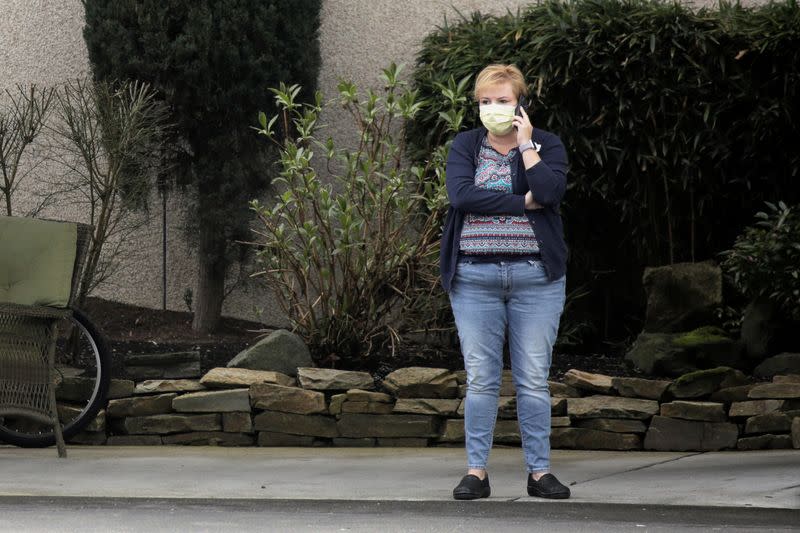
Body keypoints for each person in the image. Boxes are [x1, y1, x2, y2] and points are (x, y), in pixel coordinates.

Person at [440, 64, 570, 500]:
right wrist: (521, 203)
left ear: (520, 104)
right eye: (485, 101)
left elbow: (550, 193)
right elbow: (461, 196)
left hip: (536, 278)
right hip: (474, 277)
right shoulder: (465, 145)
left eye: (502, 100)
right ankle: (476, 473)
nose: (493, 108)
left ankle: (540, 474)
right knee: (481, 380)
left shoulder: (546, 144)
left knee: (533, 379)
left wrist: (526, 146)